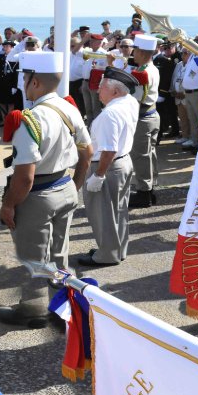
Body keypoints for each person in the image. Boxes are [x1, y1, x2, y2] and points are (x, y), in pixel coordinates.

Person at [0, 51, 90, 328]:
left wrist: (9, 205)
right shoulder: (68, 108)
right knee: (59, 253)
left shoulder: (30, 120)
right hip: (64, 187)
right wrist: (75, 185)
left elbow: (24, 177)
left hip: (38, 196)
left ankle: (32, 311)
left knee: (33, 257)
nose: (22, 85)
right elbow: (87, 150)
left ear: (34, 81)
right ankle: (61, 305)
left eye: (25, 78)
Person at [77, 68, 137, 268]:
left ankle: (106, 254)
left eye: (102, 87)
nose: (97, 91)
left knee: (103, 214)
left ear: (115, 92)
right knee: (118, 211)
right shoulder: (129, 102)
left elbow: (108, 150)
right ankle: (117, 249)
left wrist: (98, 175)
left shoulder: (110, 114)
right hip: (123, 162)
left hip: (108, 166)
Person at [123, 36, 163, 209]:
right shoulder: (150, 68)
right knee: (149, 154)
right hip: (151, 115)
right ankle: (150, 188)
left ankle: (144, 192)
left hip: (143, 117)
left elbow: (135, 98)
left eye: (135, 50)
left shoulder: (143, 72)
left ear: (140, 51)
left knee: (141, 156)